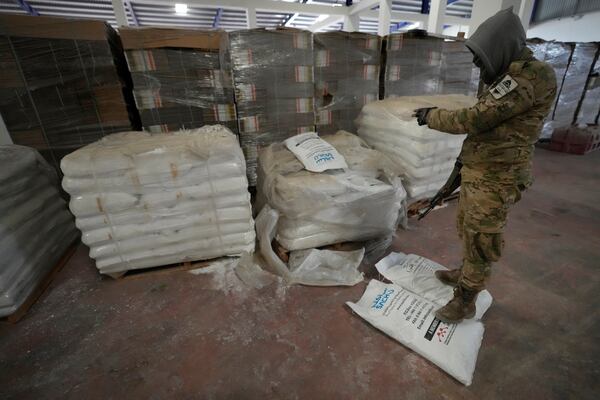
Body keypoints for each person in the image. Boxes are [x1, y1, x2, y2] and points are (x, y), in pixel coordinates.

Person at [413, 8, 557, 323]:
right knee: (468, 227)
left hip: (498, 174)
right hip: (482, 167)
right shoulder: (505, 74)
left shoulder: (530, 75)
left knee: (481, 238)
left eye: (483, 56)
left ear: (503, 46)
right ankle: (465, 274)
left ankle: (465, 300)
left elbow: (477, 118)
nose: (478, 64)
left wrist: (431, 115)